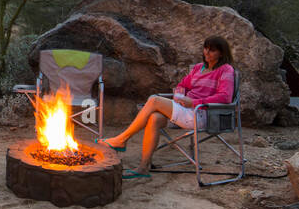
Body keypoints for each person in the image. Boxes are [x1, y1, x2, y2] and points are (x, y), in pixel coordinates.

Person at [100, 36, 235, 170]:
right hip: (185, 110)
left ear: (221, 53)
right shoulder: (198, 68)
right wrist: (179, 97)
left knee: (154, 99)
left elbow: (225, 97)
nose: (206, 52)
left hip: (202, 114)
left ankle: (122, 139)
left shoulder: (226, 70)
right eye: (206, 48)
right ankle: (143, 168)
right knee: (154, 118)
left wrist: (194, 102)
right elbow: (182, 86)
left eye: (212, 50)